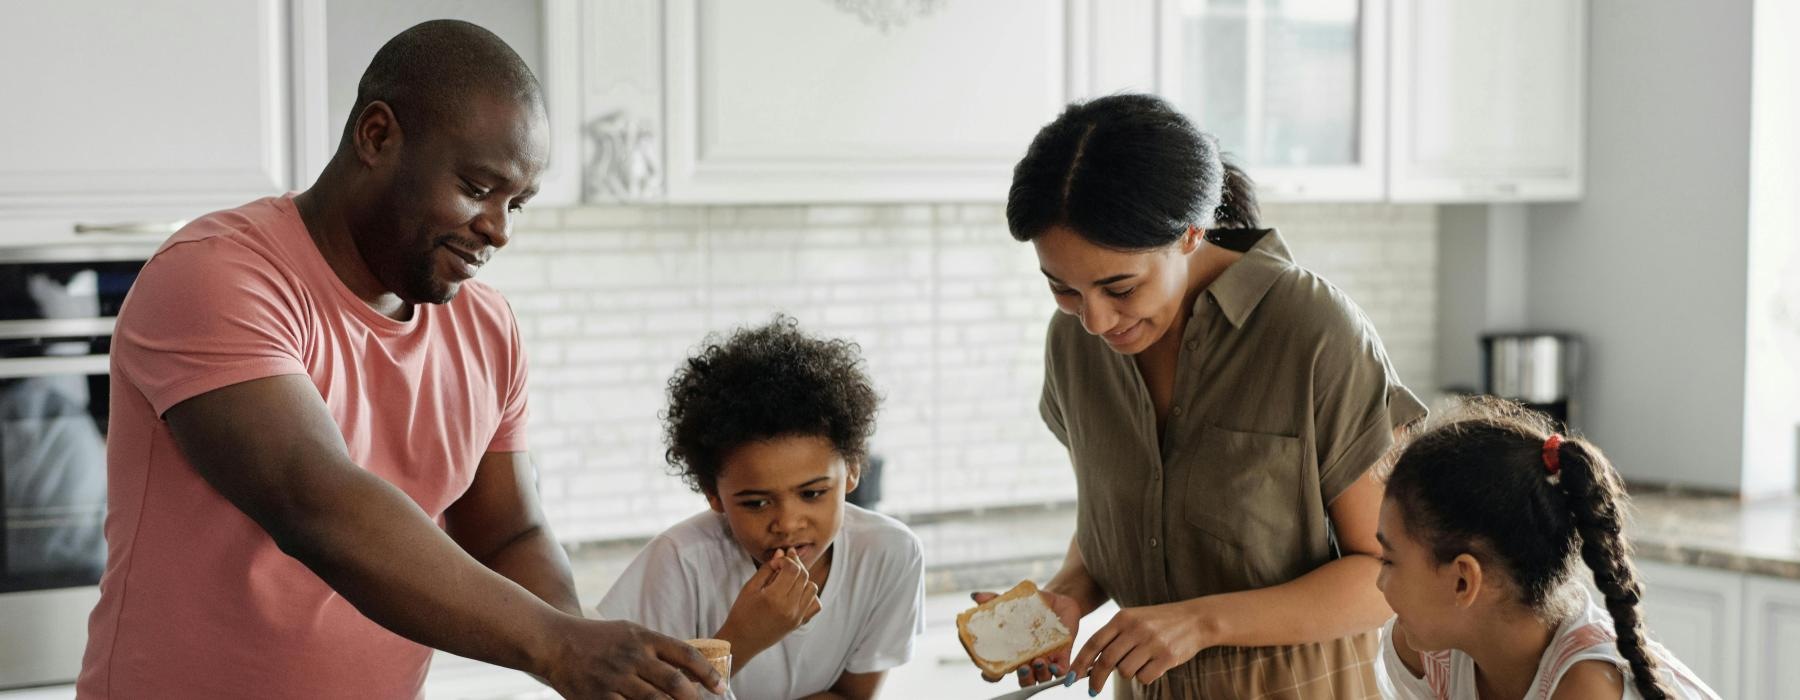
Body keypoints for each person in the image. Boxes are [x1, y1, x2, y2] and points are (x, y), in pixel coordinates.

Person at [78, 20, 721, 699]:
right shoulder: (217, 276)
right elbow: (315, 503)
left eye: (516, 204)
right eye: (478, 187)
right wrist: (558, 646)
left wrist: (608, 670)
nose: (499, 229)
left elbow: (510, 534)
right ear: (377, 136)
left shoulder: (486, 326)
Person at [982, 93, 1427, 697]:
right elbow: (1119, 526)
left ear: (1191, 234)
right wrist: (1068, 596)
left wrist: (1200, 622)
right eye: (1062, 289)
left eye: (1120, 287)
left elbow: (1388, 575)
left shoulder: (1313, 332)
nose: (1095, 321)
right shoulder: (1073, 344)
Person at [599, 316, 925, 700]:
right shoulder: (679, 563)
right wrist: (741, 639)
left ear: (852, 471)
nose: (787, 524)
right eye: (756, 503)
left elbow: (852, 696)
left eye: (813, 493)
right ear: (713, 493)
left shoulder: (889, 554)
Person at [1374, 397, 1719, 699]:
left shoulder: (1589, 687)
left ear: (1463, 581)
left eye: (1389, 560)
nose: (1378, 582)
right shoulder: (1426, 652)